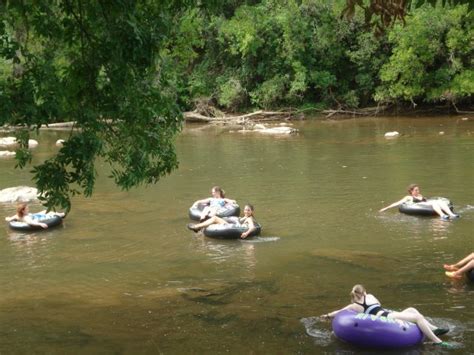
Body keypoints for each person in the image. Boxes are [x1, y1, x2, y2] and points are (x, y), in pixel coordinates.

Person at [320, 284, 451, 347]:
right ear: (364, 291)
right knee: (417, 317)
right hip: (388, 317)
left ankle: (434, 329)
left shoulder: (353, 306)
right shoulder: (370, 296)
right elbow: (379, 304)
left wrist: (327, 315)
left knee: (412, 309)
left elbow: (339, 312)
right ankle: (437, 341)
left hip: (388, 315)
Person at [379, 184, 459, 220]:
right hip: (419, 206)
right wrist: (385, 208)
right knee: (435, 203)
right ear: (411, 191)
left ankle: (451, 214)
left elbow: (427, 201)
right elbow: (397, 203)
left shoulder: (420, 195)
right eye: (416, 190)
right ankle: (442, 215)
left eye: (418, 189)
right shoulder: (409, 197)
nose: (418, 191)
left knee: (440, 202)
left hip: (427, 204)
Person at [187, 204, 257, 239]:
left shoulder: (249, 218)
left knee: (214, 218)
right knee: (214, 220)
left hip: (232, 228)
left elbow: (252, 227)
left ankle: (197, 227)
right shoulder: (245, 217)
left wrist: (246, 233)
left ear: (252, 211)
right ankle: (199, 228)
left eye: (248, 210)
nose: (246, 211)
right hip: (232, 225)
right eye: (245, 210)